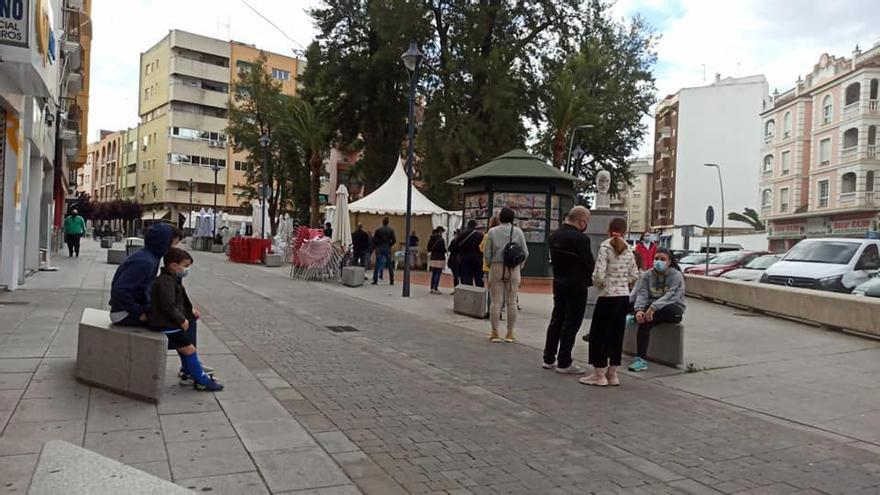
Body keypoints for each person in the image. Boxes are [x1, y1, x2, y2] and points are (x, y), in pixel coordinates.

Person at [147, 248, 223, 391]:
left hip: (166, 322)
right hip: (165, 324)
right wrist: (181, 320)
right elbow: (168, 305)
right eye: (185, 266)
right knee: (189, 349)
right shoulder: (166, 282)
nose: (186, 270)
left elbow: (178, 300)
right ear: (174, 265)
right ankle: (202, 381)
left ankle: (190, 373)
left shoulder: (170, 279)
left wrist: (188, 312)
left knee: (186, 348)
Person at [580, 218, 639, 386]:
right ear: (625, 231)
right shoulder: (628, 248)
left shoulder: (605, 246)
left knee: (599, 335)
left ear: (608, 229)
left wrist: (603, 284)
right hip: (623, 297)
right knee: (616, 335)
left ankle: (599, 375)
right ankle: (613, 374)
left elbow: (598, 274)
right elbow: (635, 274)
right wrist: (622, 282)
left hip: (607, 296)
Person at [543, 206, 594, 374]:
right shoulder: (581, 239)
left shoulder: (555, 235)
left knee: (556, 319)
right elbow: (589, 263)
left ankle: (548, 358)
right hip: (577, 285)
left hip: (559, 282)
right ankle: (564, 362)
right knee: (571, 323)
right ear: (582, 221)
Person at [629, 248, 686, 372]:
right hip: (651, 309)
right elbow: (642, 294)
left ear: (669, 262)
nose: (659, 262)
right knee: (644, 321)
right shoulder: (647, 275)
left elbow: (672, 296)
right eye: (656, 259)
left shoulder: (676, 276)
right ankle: (641, 359)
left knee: (660, 312)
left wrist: (653, 308)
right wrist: (639, 310)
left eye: (662, 259)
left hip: (672, 309)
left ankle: (639, 317)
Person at [483, 207, 528, 343]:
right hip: (513, 268)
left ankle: (495, 332)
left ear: (500, 218)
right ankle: (510, 333)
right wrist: (519, 266)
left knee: (496, 301)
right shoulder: (518, 232)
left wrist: (491, 265)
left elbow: (487, 252)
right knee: (512, 301)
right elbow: (525, 252)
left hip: (496, 266)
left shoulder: (492, 232)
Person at [456, 220, 485, 287]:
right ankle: (479, 295)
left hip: (464, 259)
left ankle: (468, 294)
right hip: (478, 259)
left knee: (466, 279)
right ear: (475, 226)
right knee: (478, 279)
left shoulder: (462, 234)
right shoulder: (480, 235)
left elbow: (455, 246)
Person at [480, 216, 499, 318]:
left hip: (489, 265)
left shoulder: (488, 234)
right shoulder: (503, 234)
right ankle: (500, 308)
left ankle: (490, 309)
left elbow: (482, 248)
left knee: (491, 288)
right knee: (501, 288)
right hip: (502, 264)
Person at [371, 217, 397, 285]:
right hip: (387, 248)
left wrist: (377, 246)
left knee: (377, 264)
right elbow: (394, 240)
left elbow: (374, 240)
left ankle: (375, 280)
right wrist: (389, 245)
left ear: (382, 222)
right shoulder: (391, 230)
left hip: (379, 248)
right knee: (390, 265)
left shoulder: (378, 230)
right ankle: (391, 280)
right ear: (388, 222)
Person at [426, 227, 447, 294]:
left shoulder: (431, 239)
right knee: (438, 273)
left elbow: (428, 248)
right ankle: (435, 288)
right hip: (440, 258)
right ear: (440, 232)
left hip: (433, 257)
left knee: (434, 273)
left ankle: (432, 288)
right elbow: (443, 250)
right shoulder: (441, 240)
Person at [447, 228, 462, 293]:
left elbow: (449, 249)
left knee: (455, 276)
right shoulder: (462, 240)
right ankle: (460, 289)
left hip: (454, 259)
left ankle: (456, 289)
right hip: (459, 260)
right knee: (459, 275)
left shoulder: (454, 241)